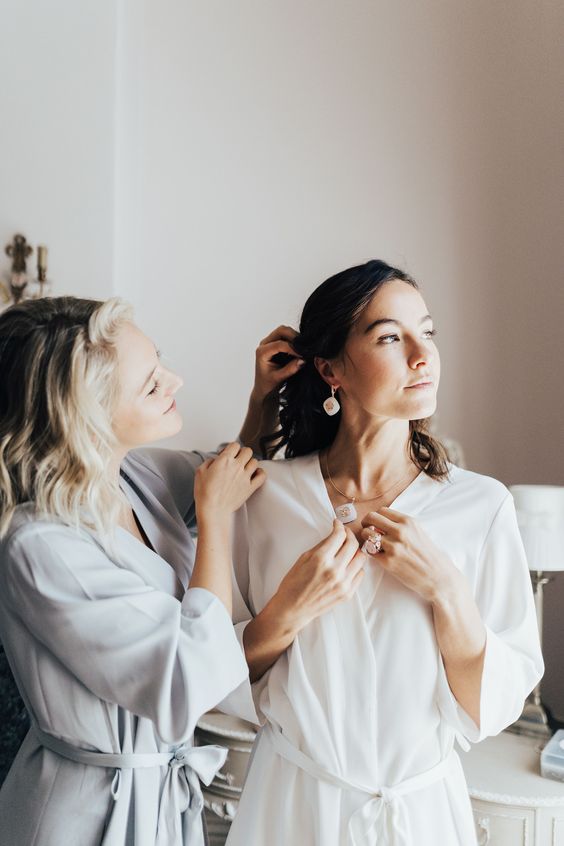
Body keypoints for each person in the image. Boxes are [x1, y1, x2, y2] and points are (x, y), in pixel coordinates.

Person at [223, 260, 544, 846]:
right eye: (392, 337)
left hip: (419, 817)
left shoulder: (481, 507)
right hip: (293, 808)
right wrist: (287, 611)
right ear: (330, 368)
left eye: (428, 333)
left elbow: (493, 707)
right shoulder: (264, 500)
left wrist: (446, 589)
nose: (423, 355)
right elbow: (214, 675)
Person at [0, 295, 302, 846]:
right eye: (150, 383)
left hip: (159, 790)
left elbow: (231, 470)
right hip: (84, 811)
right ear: (85, 416)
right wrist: (214, 520)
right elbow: (186, 676)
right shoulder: (39, 545)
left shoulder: (133, 476)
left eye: (160, 363)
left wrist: (263, 401)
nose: (176, 380)